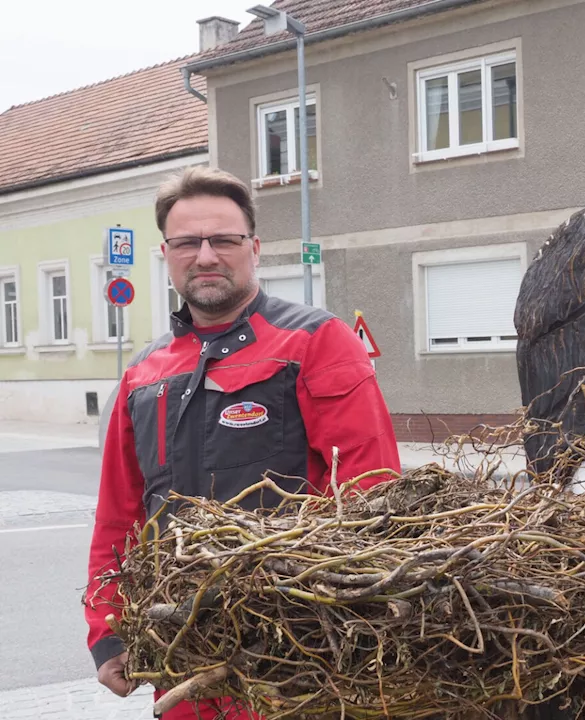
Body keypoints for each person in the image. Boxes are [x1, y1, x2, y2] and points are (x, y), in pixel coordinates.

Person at [85, 167, 402, 719]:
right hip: (182, 651)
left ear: (253, 248)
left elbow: (369, 495)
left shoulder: (316, 342)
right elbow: (120, 515)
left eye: (224, 240)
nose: (206, 255)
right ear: (167, 254)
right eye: (187, 242)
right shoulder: (143, 374)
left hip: (297, 655)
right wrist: (107, 628)